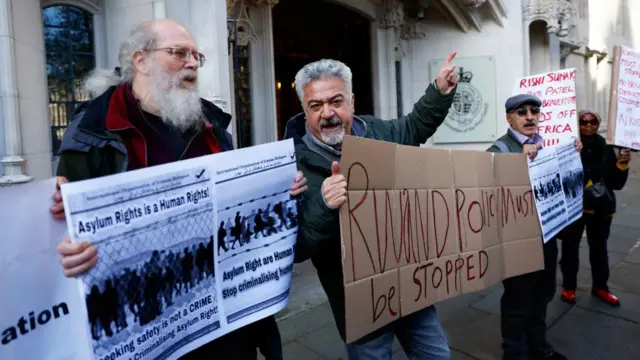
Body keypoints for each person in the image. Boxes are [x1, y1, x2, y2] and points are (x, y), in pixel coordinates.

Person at [49, 19, 308, 360]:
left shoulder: (212, 127)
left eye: (195, 56)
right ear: (140, 60)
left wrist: (280, 191)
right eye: (179, 53)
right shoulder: (93, 136)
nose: (191, 63)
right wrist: (66, 248)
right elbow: (64, 232)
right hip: (148, 330)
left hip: (222, 326)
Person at [284, 53, 460, 359]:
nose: (328, 113)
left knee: (436, 354)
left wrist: (440, 90)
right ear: (304, 110)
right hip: (361, 306)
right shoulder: (292, 168)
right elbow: (298, 249)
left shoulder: (379, 132)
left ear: (351, 101)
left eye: (336, 101)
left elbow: (414, 126)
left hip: (410, 285)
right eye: (316, 106)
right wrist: (324, 205)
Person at [487, 94, 582, 360]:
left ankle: (537, 343)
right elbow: (488, 187)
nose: (529, 116)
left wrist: (571, 155)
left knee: (544, 291)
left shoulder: (545, 145)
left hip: (546, 233)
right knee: (519, 297)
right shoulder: (500, 149)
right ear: (509, 118)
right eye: (521, 112)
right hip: (518, 238)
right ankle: (515, 351)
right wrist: (519, 161)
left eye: (534, 111)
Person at [559, 109, 630, 306]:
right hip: (575, 208)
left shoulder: (608, 148)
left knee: (599, 249)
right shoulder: (568, 145)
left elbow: (616, 183)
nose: (588, 125)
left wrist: (622, 164)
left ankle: (601, 287)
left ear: (598, 125)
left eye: (593, 122)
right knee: (570, 249)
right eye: (583, 122)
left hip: (602, 208)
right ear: (577, 123)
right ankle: (569, 287)